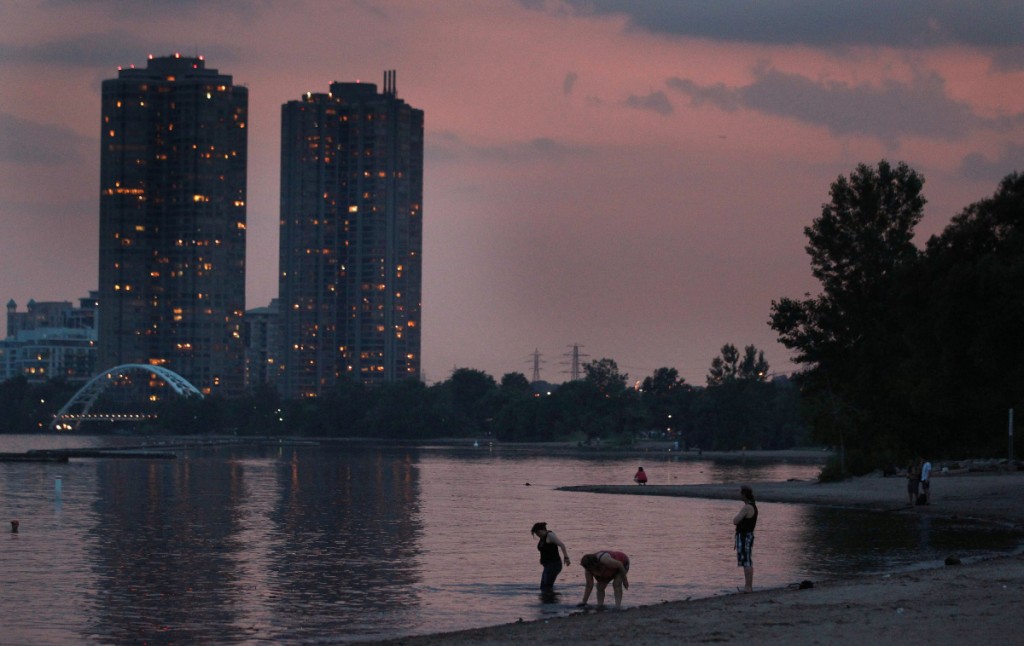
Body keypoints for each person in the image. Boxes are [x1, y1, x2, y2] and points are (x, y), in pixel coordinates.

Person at [530, 522, 571, 593]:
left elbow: (562, 545)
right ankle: (548, 601)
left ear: (543, 530)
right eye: (536, 533)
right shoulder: (542, 537)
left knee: (547, 586)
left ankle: (551, 602)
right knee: (543, 586)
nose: (538, 535)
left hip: (554, 565)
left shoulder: (550, 535)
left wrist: (566, 557)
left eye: (538, 533)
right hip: (547, 565)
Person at [733, 485, 758, 593]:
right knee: (746, 560)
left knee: (747, 561)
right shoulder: (752, 506)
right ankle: (748, 586)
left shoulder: (747, 507)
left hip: (745, 536)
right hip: (747, 535)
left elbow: (735, 520)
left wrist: (738, 516)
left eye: (740, 493)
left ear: (744, 495)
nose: (739, 495)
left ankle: (748, 587)